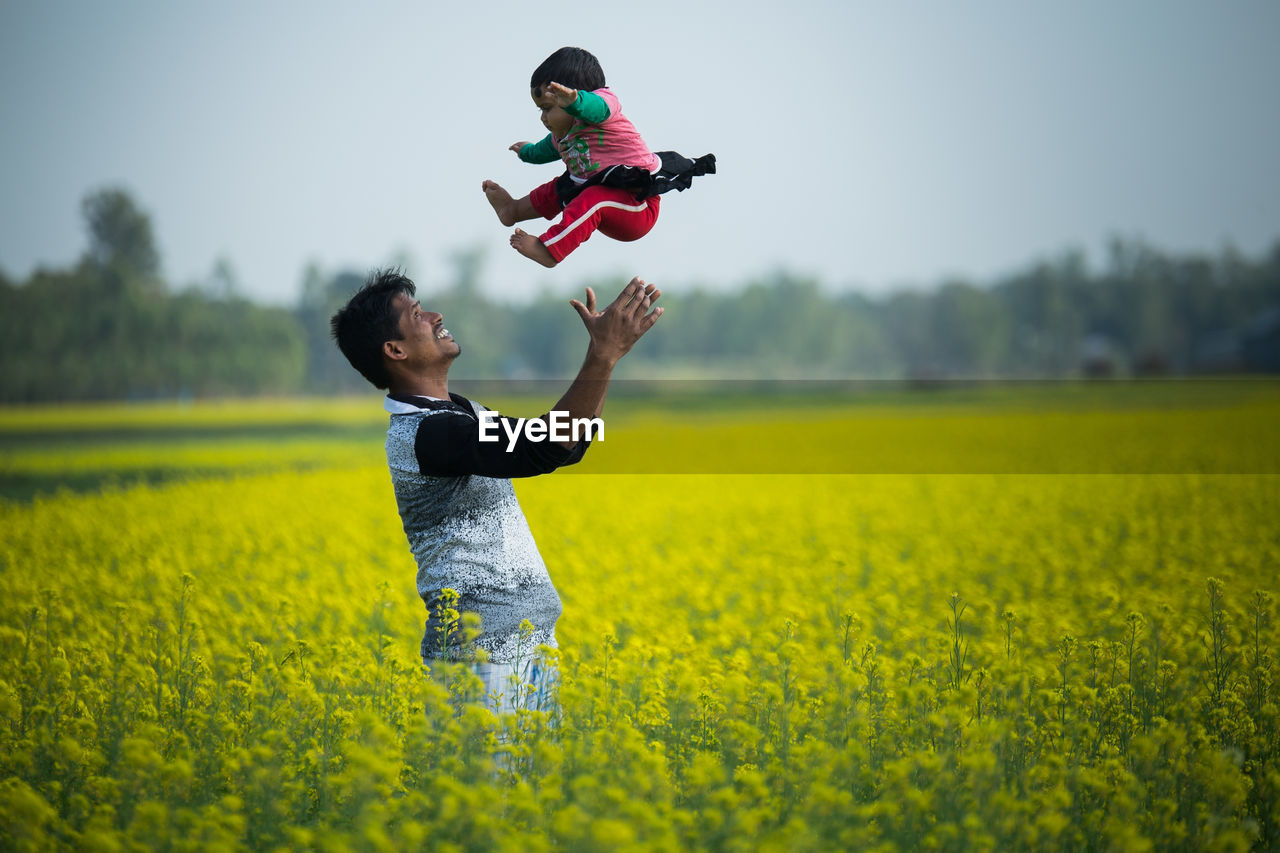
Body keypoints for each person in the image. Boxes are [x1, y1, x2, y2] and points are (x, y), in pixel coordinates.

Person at [330, 270, 662, 715]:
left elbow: (564, 448)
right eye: (416, 314)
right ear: (395, 350)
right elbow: (541, 447)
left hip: (529, 648)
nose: (435, 314)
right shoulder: (425, 434)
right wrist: (602, 356)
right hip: (480, 659)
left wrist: (604, 358)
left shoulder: (462, 412)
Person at [482, 46, 715, 268]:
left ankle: (550, 250)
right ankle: (512, 210)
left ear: (572, 98)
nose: (543, 118)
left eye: (548, 108)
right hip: (596, 201)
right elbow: (544, 150)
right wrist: (527, 152)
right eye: (540, 110)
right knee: (557, 188)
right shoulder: (563, 134)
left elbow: (596, 107)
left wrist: (575, 102)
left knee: (594, 197)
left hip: (637, 206)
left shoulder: (605, 107)